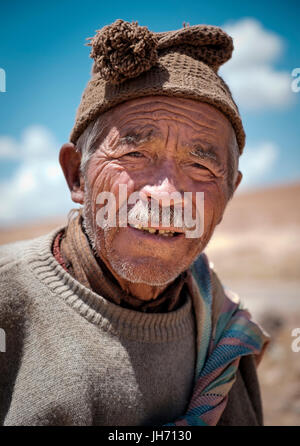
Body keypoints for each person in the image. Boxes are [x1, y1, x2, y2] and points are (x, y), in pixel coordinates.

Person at [0, 20, 270, 426]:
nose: (165, 195)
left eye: (200, 166)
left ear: (230, 191)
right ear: (76, 175)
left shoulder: (225, 329)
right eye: (135, 154)